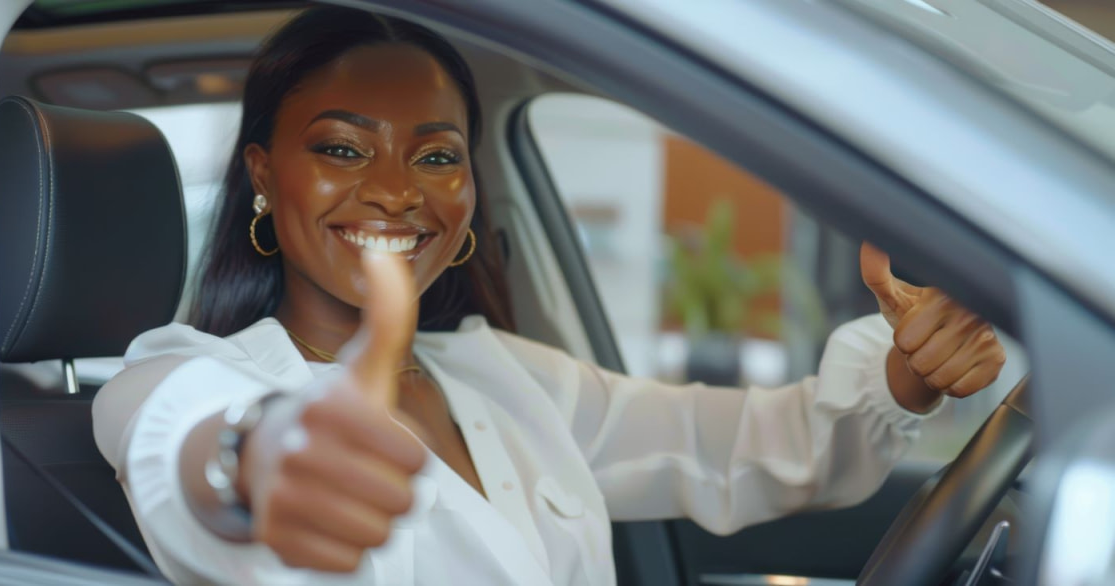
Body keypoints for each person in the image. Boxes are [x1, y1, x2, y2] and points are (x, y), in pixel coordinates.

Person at [92, 5, 1007, 585]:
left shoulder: (502, 375)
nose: (397, 190)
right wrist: (254, 461)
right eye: (341, 147)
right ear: (263, 173)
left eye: (436, 155)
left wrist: (905, 373)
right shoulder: (178, 376)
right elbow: (182, 442)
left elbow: (747, 447)